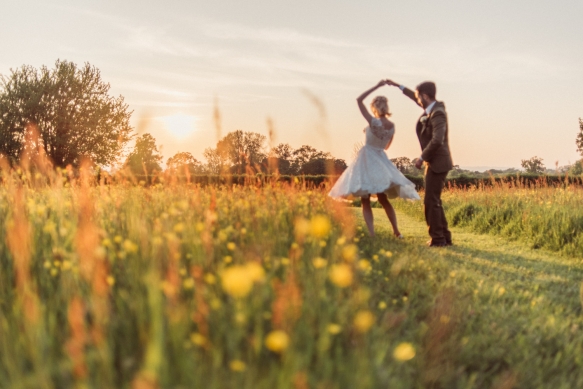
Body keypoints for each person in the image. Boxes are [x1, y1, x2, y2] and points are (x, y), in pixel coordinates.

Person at [329, 80, 420, 237]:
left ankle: (372, 234)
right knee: (383, 199)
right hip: (380, 159)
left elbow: (358, 100)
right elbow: (386, 147)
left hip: (366, 159)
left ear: (374, 108)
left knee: (365, 200)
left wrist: (377, 86)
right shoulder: (392, 126)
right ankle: (397, 232)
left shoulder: (372, 121)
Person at [385, 79, 453, 247]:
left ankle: (438, 239)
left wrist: (422, 157)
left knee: (431, 201)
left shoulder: (437, 113)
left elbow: (438, 139)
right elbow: (415, 99)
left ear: (424, 96)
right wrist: (398, 86)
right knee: (435, 200)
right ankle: (445, 237)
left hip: (437, 163)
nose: (418, 100)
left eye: (419, 97)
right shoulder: (432, 108)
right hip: (436, 162)